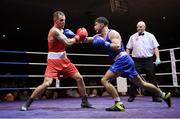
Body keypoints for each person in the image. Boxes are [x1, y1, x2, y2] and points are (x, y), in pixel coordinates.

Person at [85, 17, 171, 111]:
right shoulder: (99, 36)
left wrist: (105, 43)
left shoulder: (113, 33)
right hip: (124, 60)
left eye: (95, 24)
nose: (94, 27)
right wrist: (76, 37)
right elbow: (87, 39)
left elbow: (117, 46)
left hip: (122, 59)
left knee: (104, 80)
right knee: (142, 83)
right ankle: (164, 95)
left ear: (101, 24)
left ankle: (118, 104)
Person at [20, 11, 92, 111]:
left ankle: (85, 102)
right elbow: (67, 42)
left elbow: (78, 40)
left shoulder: (63, 30)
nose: (64, 22)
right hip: (53, 62)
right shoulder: (54, 31)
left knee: (79, 78)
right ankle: (28, 103)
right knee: (47, 84)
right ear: (55, 20)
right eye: (61, 20)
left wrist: (94, 38)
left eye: (64, 20)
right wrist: (77, 37)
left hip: (64, 60)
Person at [126, 21, 162, 102]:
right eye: (138, 26)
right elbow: (128, 48)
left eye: (141, 26)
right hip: (136, 60)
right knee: (133, 77)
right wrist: (127, 58)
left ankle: (156, 96)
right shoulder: (132, 37)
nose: (139, 28)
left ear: (144, 27)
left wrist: (158, 58)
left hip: (148, 60)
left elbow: (155, 48)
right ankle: (132, 95)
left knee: (152, 78)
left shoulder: (150, 35)